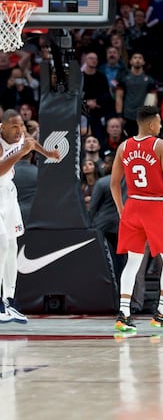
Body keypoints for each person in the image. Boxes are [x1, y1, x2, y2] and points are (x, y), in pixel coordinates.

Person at [110, 106, 163, 332]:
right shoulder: (160, 145)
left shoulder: (123, 147)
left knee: (133, 262)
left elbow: (113, 183)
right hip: (155, 205)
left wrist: (121, 210)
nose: (161, 126)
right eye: (159, 123)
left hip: (132, 205)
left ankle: (123, 313)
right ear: (150, 125)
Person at [0, 111, 60, 323]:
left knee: (12, 247)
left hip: (8, 193)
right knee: (2, 245)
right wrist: (20, 152)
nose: (19, 131)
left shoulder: (23, 139)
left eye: (21, 126)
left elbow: (33, 144)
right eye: (14, 127)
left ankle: (8, 300)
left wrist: (48, 154)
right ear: (3, 127)